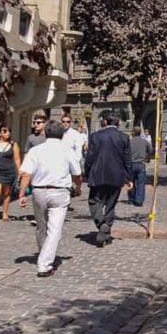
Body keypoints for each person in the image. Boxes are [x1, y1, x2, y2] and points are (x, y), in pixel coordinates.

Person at [17, 120, 82, 277]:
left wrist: (22, 194)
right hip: (60, 192)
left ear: (45, 132)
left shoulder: (36, 151)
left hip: (39, 192)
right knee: (54, 229)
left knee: (41, 226)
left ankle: (44, 254)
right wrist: (78, 187)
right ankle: (44, 264)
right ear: (62, 134)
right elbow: (77, 174)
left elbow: (26, 173)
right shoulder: (67, 150)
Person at [84, 112, 133, 247]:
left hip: (97, 174)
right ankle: (106, 225)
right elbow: (127, 159)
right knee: (111, 204)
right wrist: (129, 177)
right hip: (116, 176)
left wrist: (87, 172)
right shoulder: (124, 137)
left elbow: (90, 157)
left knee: (94, 201)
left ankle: (101, 223)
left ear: (105, 122)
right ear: (118, 123)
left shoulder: (95, 136)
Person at [128, 125, 154, 206]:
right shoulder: (145, 141)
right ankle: (139, 200)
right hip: (141, 163)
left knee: (131, 181)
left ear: (133, 133)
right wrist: (146, 156)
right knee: (140, 183)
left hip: (131, 163)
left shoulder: (129, 142)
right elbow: (150, 150)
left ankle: (132, 198)